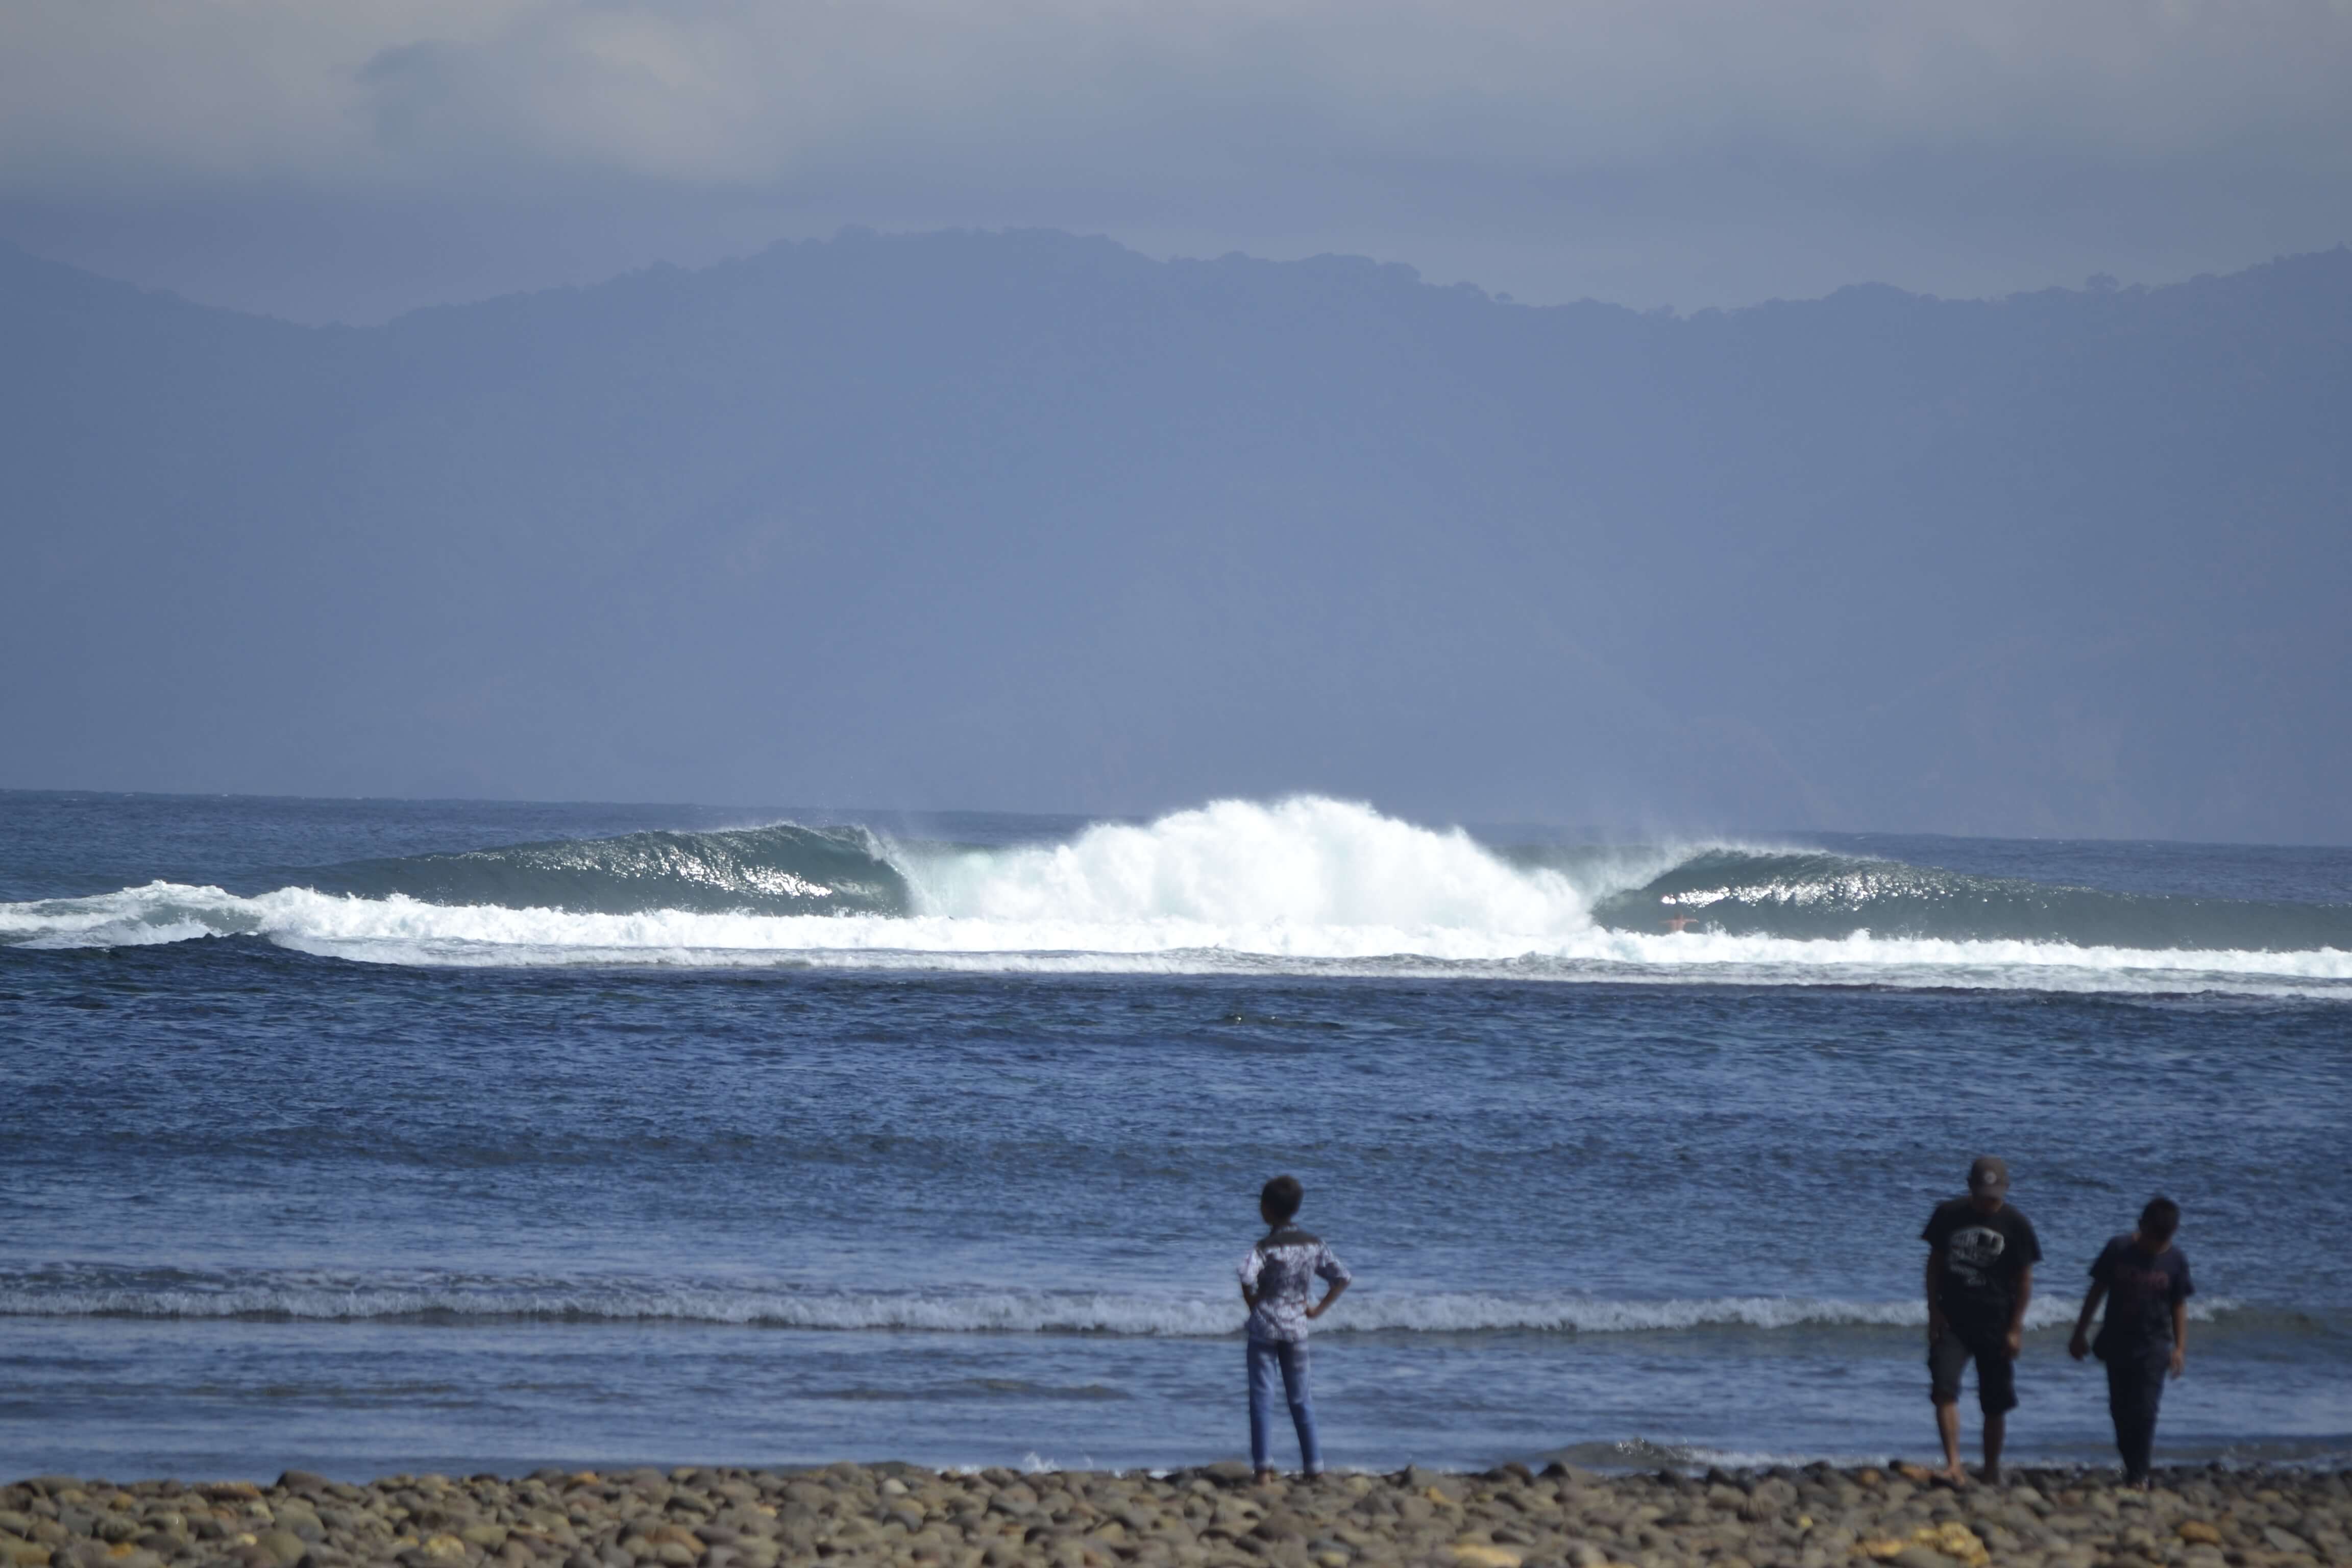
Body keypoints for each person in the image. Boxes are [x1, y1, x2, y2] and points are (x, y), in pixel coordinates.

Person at [1922, 1155, 2042, 1484]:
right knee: (1943, 1389)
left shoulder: (2017, 1225)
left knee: (1995, 1401)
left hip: (1997, 1322)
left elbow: (2025, 1281)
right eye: (1983, 1196)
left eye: (1995, 1197)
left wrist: (2016, 1328)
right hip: (1952, 1319)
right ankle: (1954, 1466)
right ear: (1970, 1188)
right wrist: (1933, 1311)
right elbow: (1933, 1266)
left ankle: (1991, 1470)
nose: (1989, 1203)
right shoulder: (1948, 1215)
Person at [2069, 1196, 2194, 1488]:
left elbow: (2179, 1305)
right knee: (2120, 1409)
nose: (2155, 1245)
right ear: (2141, 1226)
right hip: (2117, 1341)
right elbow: (2096, 1292)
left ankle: (2139, 1474)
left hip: (2155, 1345)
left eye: (2163, 1240)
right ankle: (2131, 1464)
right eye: (2152, 1237)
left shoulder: (2176, 1260)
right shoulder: (2119, 1249)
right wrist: (2079, 1333)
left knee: (2146, 1410)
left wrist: (2179, 1348)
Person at [1238, 1174, 1351, 1483]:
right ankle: (1314, 1467)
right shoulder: (1314, 1244)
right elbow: (1342, 1277)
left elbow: (1246, 1275)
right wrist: (1317, 1309)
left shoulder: (1264, 1247)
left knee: (1262, 1396)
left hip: (1265, 1327)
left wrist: (1253, 1303)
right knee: (1301, 1399)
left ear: (1267, 1209)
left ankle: (1263, 1469)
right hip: (1297, 1327)